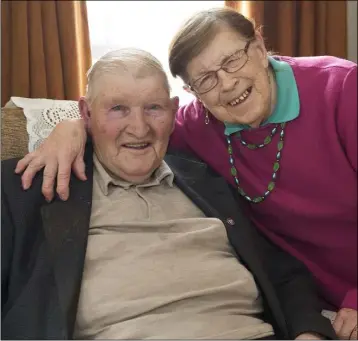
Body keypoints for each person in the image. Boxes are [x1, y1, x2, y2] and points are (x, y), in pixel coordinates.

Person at [14, 7, 357, 340]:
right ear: (192, 94)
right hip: (325, 298)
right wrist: (70, 127)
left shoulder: (342, 89)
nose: (227, 83)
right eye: (206, 79)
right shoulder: (198, 127)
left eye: (232, 59)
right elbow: (138, 131)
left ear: (260, 47)